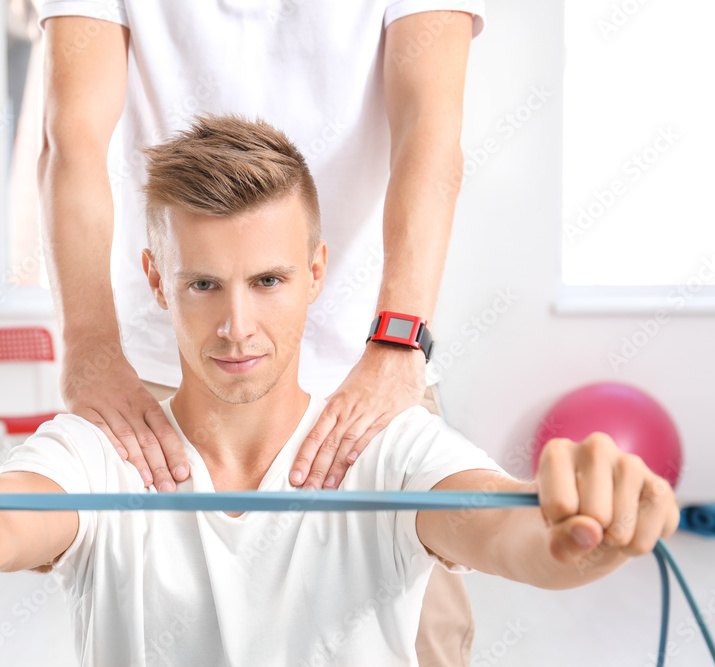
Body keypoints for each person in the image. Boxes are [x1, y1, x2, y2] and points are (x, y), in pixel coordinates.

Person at [0, 115, 680, 666]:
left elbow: (507, 532)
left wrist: (586, 533)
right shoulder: (103, 449)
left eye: (267, 281)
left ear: (316, 273)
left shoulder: (388, 444)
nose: (236, 327)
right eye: (204, 285)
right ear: (157, 281)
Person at [39, 5, 482, 659]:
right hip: (168, 371)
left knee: (426, 638)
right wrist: (90, 347)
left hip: (372, 375)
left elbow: (430, 132)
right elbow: (72, 139)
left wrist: (397, 342)